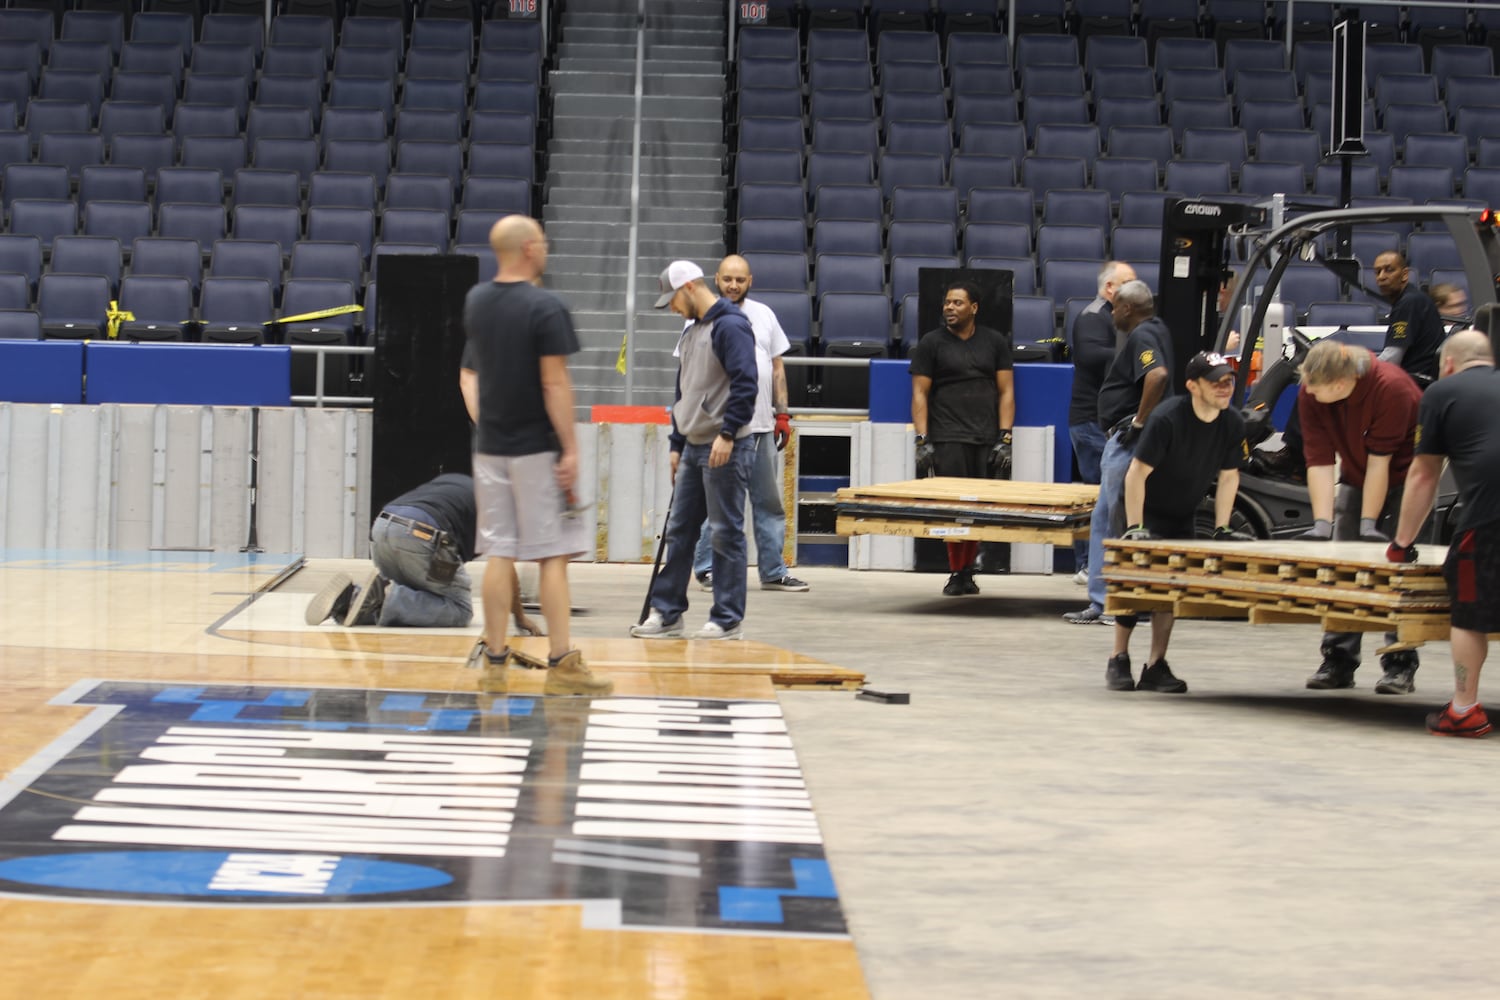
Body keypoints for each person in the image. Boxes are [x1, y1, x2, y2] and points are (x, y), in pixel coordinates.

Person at [457, 214, 611, 697]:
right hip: (535, 448)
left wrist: (489, 423)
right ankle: (562, 663)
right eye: (541, 242)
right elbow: (553, 382)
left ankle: (495, 662)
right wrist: (569, 447)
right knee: (552, 556)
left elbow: (471, 374)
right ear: (527, 249)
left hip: (490, 449)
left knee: (499, 550)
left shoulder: (476, 302)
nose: (546, 249)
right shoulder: (546, 306)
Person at [630, 260, 760, 640]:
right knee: (679, 530)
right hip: (693, 444)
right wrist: (676, 442)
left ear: (689, 288)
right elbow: (683, 390)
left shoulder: (730, 325)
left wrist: (729, 433)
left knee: (725, 532)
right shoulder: (692, 331)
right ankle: (667, 613)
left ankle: (726, 618)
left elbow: (745, 383)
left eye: (673, 299)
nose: (671, 307)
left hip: (725, 446)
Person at [1105, 352, 1249, 693]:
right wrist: (1135, 528)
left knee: (1169, 590)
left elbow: (1229, 477)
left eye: (1228, 381)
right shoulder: (1168, 418)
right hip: (1142, 507)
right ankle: (1118, 657)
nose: (1224, 387)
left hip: (1182, 511)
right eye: (1216, 382)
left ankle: (1156, 664)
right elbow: (1137, 474)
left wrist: (1222, 527)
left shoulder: (1232, 423)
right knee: (1133, 582)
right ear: (1192, 386)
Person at [1388, 330, 1500, 736]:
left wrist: (1402, 544)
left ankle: (1464, 709)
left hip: (1489, 520)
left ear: (1448, 364)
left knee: (1469, 610)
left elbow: (1423, 475)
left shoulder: (1442, 392)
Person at [1296, 339, 1423, 694]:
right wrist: (1323, 525)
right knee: (1343, 571)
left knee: (1399, 575)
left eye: (1316, 390)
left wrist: (1369, 525)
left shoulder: (1392, 388)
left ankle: (1399, 664)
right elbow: (1318, 460)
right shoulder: (1312, 391)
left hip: (1405, 482)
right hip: (1355, 476)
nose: (1309, 394)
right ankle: (1338, 659)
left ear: (1340, 384)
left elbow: (1381, 462)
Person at [689, 254, 808, 595]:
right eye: (727, 279)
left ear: (750, 281)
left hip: (761, 427)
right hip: (719, 431)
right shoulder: (700, 317)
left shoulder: (764, 315)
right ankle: (707, 568)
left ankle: (773, 571)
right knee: (718, 503)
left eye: (740, 279)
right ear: (717, 279)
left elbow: (777, 368)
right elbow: (690, 374)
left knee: (769, 503)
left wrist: (782, 414)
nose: (733, 285)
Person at [305, 472, 539, 635]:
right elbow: (505, 572)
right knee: (459, 610)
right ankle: (384, 597)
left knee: (417, 600)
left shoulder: (457, 482)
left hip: (382, 529)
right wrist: (520, 618)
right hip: (424, 536)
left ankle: (351, 598)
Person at [1065, 280, 1175, 625]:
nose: (1112, 314)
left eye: (1115, 308)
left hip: (1129, 439)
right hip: (1139, 438)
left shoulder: (1142, 335)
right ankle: (1120, 601)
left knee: (1110, 519)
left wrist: (1139, 423)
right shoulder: (1159, 330)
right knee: (1118, 518)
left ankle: (1109, 604)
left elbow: (1156, 375)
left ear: (1127, 308)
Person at [909, 281, 1016, 596]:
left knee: (979, 508)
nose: (949, 308)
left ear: (974, 308)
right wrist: (922, 439)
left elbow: (1007, 391)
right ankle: (957, 572)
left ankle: (968, 570)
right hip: (947, 437)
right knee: (953, 508)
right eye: (946, 303)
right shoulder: (931, 343)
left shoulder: (994, 342)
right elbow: (919, 393)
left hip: (985, 438)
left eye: (957, 303)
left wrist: (1005, 437)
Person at [1067, 261, 1137, 585]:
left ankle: (1095, 562)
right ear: (1110, 288)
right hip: (1090, 422)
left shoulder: (1120, 320)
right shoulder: (1092, 317)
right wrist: (1135, 352)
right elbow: (1090, 356)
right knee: (1101, 497)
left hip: (1104, 420)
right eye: (1129, 283)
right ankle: (1087, 565)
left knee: (1108, 496)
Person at [1372, 250, 1446, 386]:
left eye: (1389, 270)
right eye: (1377, 272)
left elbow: (1392, 358)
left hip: (1415, 383)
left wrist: (1361, 370)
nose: (1381, 277)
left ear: (1405, 275)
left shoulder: (1408, 302)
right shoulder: (1412, 298)